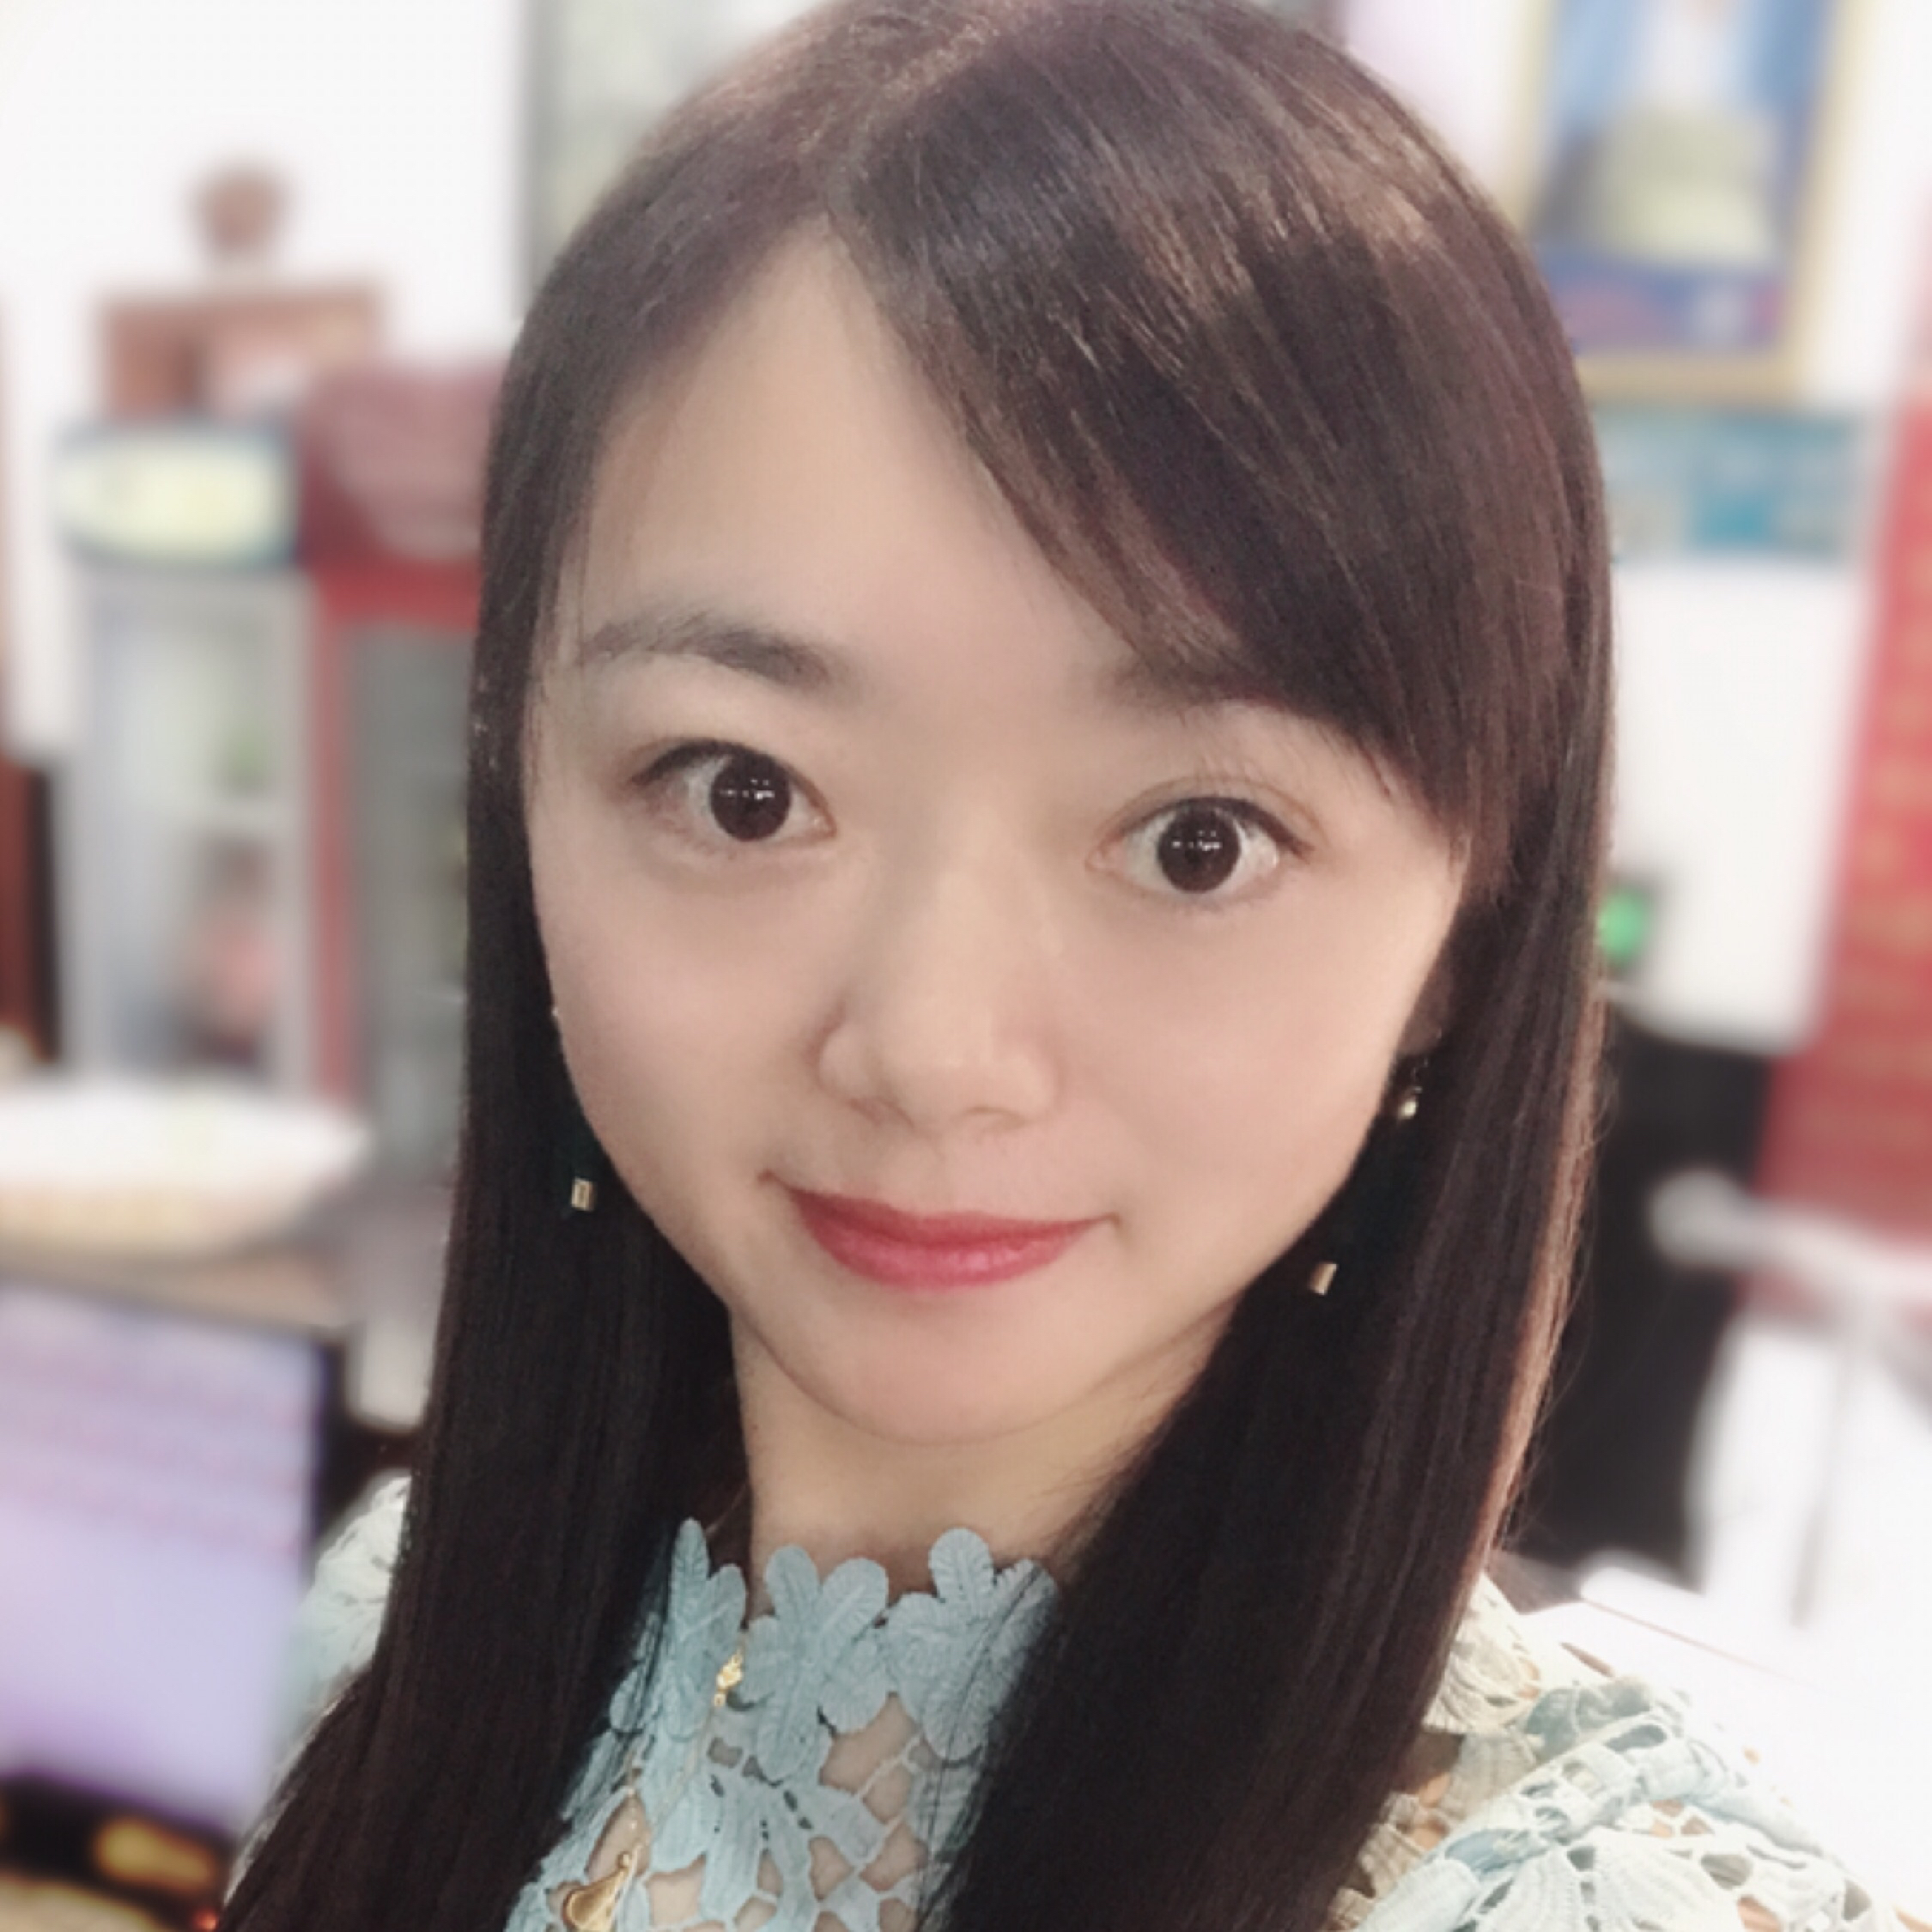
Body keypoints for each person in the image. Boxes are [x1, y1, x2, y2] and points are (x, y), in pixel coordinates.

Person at [224, 3, 1896, 1929]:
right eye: (745, 791)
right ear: (522, 789)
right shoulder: (391, 1634)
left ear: (1463, 934)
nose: (931, 1050)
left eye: (1200, 840)